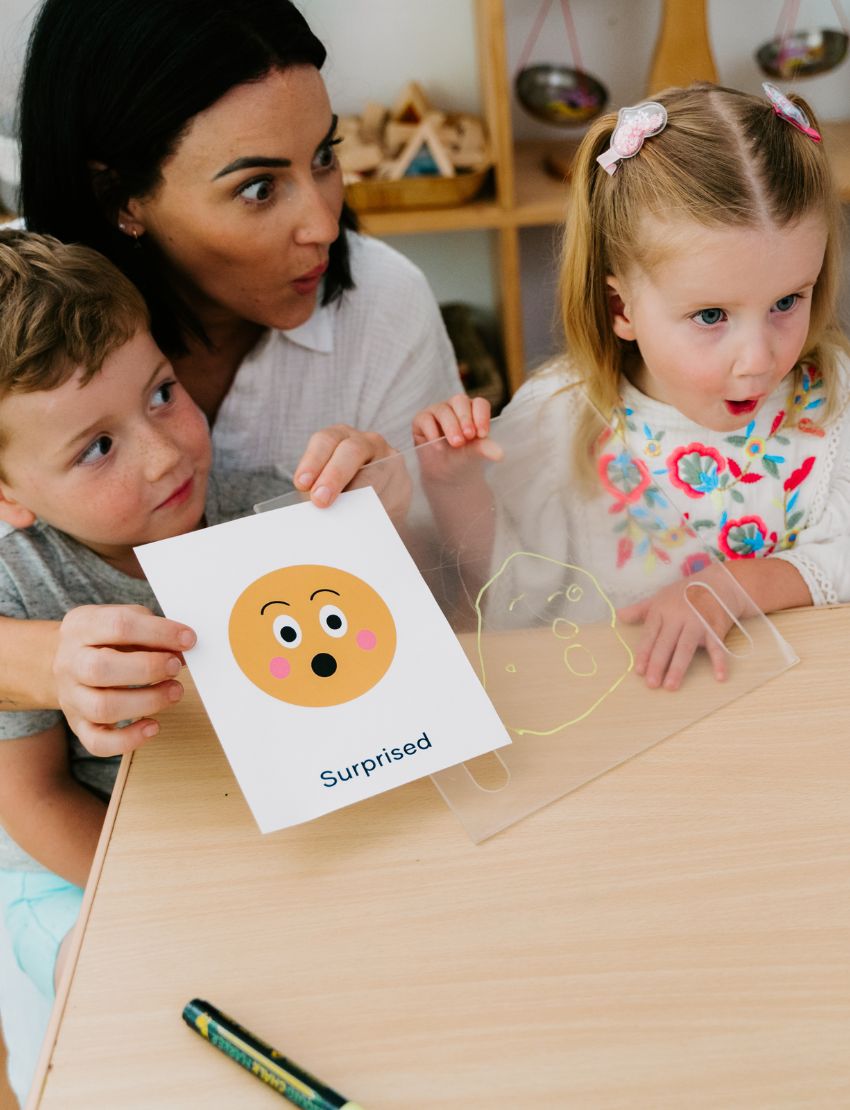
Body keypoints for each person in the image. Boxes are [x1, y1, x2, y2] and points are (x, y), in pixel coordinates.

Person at [0, 0, 462, 738]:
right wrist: (41, 662)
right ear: (119, 196)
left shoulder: (384, 305)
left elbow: (459, 599)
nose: (323, 225)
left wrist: (394, 518)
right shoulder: (14, 315)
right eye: (257, 188)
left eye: (324, 157)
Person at [0, 228, 324, 1103]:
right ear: (9, 494)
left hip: (248, 838)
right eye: (96, 447)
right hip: (73, 865)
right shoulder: (20, 587)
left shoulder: (258, 509)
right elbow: (31, 801)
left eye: (162, 394)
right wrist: (178, 887)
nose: (164, 452)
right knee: (122, 1023)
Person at [413, 83, 850, 691]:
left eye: (786, 301)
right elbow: (509, 591)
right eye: (711, 316)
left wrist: (741, 585)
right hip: (627, 724)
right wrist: (453, 483)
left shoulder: (832, 398)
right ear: (621, 307)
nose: (757, 360)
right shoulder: (560, 418)